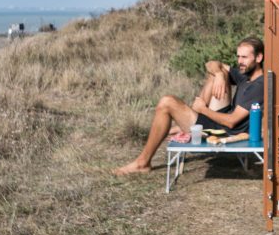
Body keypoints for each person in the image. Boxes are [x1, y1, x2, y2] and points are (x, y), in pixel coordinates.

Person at [113, 36, 265, 176]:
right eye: (238, 56)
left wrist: (202, 109)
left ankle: (142, 163)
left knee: (167, 102)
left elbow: (231, 121)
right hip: (221, 118)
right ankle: (191, 119)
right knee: (217, 73)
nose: (240, 61)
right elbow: (211, 63)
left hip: (226, 131)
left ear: (258, 58)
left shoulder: (258, 86)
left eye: (244, 57)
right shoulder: (246, 76)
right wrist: (219, 74)